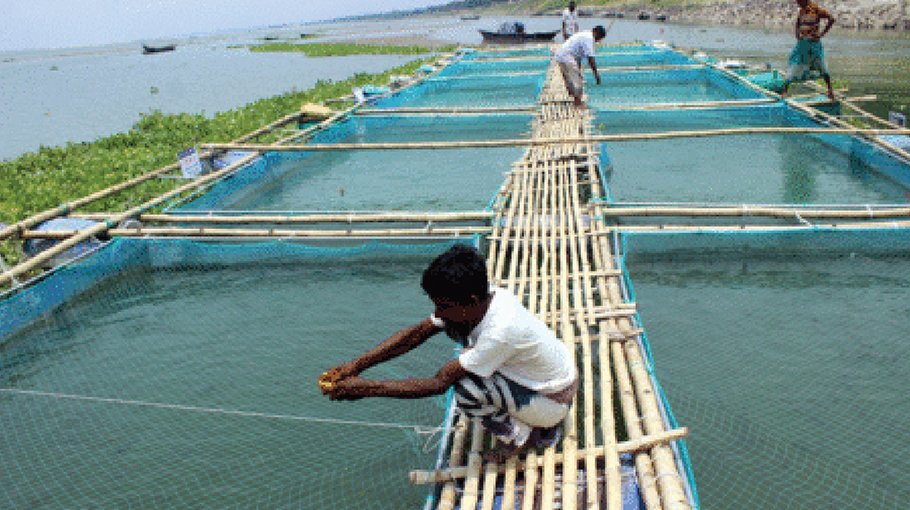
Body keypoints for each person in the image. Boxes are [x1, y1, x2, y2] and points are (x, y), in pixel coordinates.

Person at [319, 244, 577, 462]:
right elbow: (415, 334)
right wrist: (356, 366)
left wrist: (364, 389)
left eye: (443, 306)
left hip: (553, 401)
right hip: (547, 379)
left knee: (466, 389)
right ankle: (526, 418)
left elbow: (439, 383)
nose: (438, 313)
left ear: (472, 300)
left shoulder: (501, 329)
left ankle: (525, 436)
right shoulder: (482, 300)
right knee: (456, 335)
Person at [781, 0, 836, 100]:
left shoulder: (816, 10)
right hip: (803, 44)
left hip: (814, 44)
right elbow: (798, 23)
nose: (798, 3)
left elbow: (831, 19)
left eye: (799, 1)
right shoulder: (801, 11)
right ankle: (785, 91)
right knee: (794, 63)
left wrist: (822, 34)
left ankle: (830, 90)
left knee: (821, 66)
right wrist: (797, 34)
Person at [554, 25, 606, 108]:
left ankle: (575, 98)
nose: (597, 40)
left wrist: (578, 68)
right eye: (599, 38)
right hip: (567, 57)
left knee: (571, 78)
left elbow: (578, 55)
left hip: (561, 56)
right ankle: (577, 102)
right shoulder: (589, 38)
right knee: (577, 80)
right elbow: (590, 58)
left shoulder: (585, 34)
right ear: (596, 33)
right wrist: (596, 74)